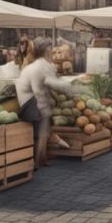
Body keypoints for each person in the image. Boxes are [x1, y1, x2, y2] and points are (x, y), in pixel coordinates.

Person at [15, 38, 76, 167]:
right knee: (44, 123)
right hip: (28, 105)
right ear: (44, 51)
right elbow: (38, 91)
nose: (52, 51)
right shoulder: (38, 67)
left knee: (44, 127)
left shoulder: (41, 65)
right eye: (49, 48)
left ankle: (41, 158)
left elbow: (49, 83)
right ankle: (38, 161)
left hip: (32, 102)